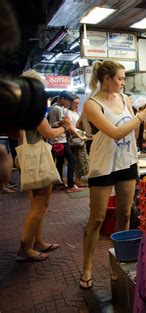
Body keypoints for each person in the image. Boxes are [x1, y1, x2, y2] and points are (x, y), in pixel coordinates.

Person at [80, 60, 146, 289]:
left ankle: (118, 262)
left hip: (126, 163)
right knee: (97, 219)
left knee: (124, 214)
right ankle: (86, 267)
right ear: (107, 79)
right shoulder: (92, 104)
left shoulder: (125, 99)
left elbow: (131, 130)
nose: (123, 83)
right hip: (103, 164)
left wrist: (140, 128)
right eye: (120, 79)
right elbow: (114, 132)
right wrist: (142, 115)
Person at [16, 70, 75, 261]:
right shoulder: (32, 108)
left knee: (37, 205)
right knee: (39, 206)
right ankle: (25, 248)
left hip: (30, 157)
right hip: (38, 159)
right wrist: (65, 126)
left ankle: (38, 241)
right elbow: (49, 133)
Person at [47, 90, 82, 192]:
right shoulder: (59, 109)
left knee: (60, 162)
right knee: (72, 160)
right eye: (68, 101)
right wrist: (79, 134)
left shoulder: (53, 107)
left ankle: (60, 182)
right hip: (60, 139)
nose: (69, 104)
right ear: (62, 99)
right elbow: (66, 123)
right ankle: (71, 185)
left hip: (55, 139)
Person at [67, 96, 89, 187]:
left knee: (81, 160)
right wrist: (80, 136)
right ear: (70, 103)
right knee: (78, 160)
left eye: (78, 103)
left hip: (80, 137)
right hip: (76, 138)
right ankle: (77, 179)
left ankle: (77, 179)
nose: (77, 105)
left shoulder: (75, 112)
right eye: (75, 103)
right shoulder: (68, 113)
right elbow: (70, 127)